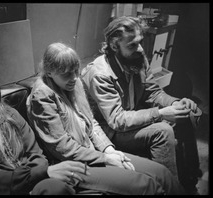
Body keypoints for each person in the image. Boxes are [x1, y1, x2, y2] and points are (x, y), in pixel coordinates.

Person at [26, 42, 185, 195]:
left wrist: (109, 149)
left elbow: (92, 123)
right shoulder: (42, 95)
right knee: (145, 184)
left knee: (161, 172)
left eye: (76, 71)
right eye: (67, 74)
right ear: (49, 72)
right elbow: (62, 148)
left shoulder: (74, 83)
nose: (74, 77)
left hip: (94, 152)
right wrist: (105, 158)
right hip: (74, 165)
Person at [80, 16, 201, 194]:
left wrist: (175, 103)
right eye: (132, 45)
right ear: (114, 46)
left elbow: (153, 92)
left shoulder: (137, 57)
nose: (140, 49)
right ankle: (170, 189)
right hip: (113, 132)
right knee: (162, 130)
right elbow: (117, 120)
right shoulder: (99, 73)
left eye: (140, 42)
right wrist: (161, 113)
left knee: (189, 112)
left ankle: (190, 179)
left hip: (132, 117)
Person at [0, 64, 89, 195]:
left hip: (37, 184)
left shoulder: (11, 115)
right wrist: (44, 173)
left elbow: (37, 155)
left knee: (58, 185)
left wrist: (37, 177)